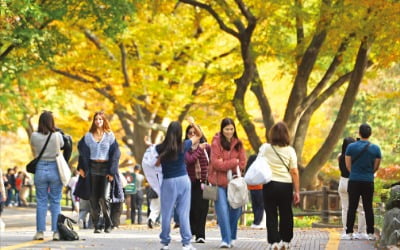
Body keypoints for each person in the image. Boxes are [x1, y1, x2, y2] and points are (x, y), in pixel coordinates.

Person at [156, 118, 202, 250]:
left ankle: (165, 243)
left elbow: (153, 162)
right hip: (183, 179)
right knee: (183, 212)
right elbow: (199, 135)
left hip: (168, 181)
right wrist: (193, 123)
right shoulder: (184, 145)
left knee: (166, 213)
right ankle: (186, 243)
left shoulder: (160, 147)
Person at [75, 111, 121, 234]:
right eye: (96, 119)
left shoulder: (110, 136)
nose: (98, 121)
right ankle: (97, 225)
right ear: (94, 121)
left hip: (105, 169)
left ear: (104, 121)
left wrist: (112, 171)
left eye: (100, 119)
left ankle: (108, 222)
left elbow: (116, 154)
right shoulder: (88, 136)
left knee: (104, 198)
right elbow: (82, 153)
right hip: (92, 169)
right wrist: (81, 168)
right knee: (93, 199)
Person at [208, 118, 247, 248]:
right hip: (218, 183)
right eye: (226, 129)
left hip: (235, 183)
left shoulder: (239, 144)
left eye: (231, 129)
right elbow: (216, 164)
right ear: (222, 129)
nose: (229, 131)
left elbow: (242, 163)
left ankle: (232, 236)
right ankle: (225, 239)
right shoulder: (216, 143)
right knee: (223, 211)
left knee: (236, 209)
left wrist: (226, 162)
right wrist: (233, 162)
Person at [261, 122, 300, 250]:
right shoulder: (290, 150)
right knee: (286, 213)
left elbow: (260, 164)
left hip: (269, 184)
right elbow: (294, 171)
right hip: (285, 185)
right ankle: (286, 241)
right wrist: (297, 191)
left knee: (271, 213)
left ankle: (274, 243)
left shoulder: (266, 148)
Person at [30, 111, 65, 240]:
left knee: (41, 201)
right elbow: (62, 145)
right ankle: (56, 232)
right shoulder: (57, 136)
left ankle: (40, 232)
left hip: (40, 169)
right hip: (55, 168)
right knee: (56, 201)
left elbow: (34, 145)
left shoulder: (34, 136)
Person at [344, 123, 382, 240]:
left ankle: (349, 232)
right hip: (368, 181)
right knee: (368, 207)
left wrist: (355, 173)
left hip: (354, 180)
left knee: (352, 207)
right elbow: (376, 167)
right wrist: (368, 173)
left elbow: (348, 165)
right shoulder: (376, 149)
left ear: (359, 133)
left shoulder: (351, 147)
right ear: (370, 134)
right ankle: (370, 233)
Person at [184, 124, 211, 243]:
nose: (193, 135)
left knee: (203, 209)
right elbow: (190, 160)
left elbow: (213, 163)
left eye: (195, 133)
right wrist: (199, 148)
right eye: (190, 133)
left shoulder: (207, 147)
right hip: (191, 182)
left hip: (206, 182)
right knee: (192, 208)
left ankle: (201, 235)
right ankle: (192, 230)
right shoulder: (185, 148)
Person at [338, 137, 367, 239]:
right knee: (360, 208)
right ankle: (361, 232)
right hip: (354, 182)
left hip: (342, 182)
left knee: (345, 208)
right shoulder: (356, 157)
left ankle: (346, 232)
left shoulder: (340, 156)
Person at [245, 154, 265, 229]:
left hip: (251, 187)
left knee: (255, 205)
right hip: (260, 187)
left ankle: (255, 221)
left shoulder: (249, 167)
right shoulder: (258, 167)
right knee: (260, 205)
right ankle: (257, 222)